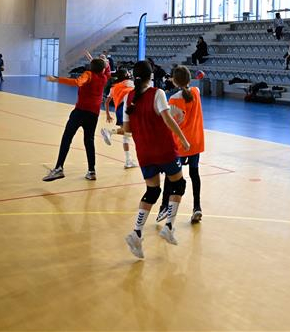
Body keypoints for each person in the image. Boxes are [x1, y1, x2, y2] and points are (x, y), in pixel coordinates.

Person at [120, 60, 190, 259]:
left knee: (153, 191)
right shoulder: (157, 93)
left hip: (144, 153)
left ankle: (137, 233)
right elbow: (168, 120)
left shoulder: (129, 98)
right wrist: (184, 140)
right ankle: (168, 226)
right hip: (164, 150)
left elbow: (127, 130)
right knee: (179, 185)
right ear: (151, 76)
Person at [42, 51, 110, 182]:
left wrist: (56, 79)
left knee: (67, 137)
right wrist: (100, 63)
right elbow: (106, 69)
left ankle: (59, 168)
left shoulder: (88, 74)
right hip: (93, 114)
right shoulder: (104, 78)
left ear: (91, 67)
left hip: (80, 112)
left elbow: (78, 82)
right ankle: (91, 171)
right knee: (89, 141)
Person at [156, 66, 206, 225]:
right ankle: (197, 207)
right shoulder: (196, 92)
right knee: (194, 174)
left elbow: (173, 122)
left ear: (174, 80)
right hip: (196, 142)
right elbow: (192, 88)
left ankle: (164, 206)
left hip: (180, 143)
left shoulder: (174, 99)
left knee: (172, 175)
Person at [100, 68, 138, 169]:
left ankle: (128, 161)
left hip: (118, 110)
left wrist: (108, 114)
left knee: (126, 135)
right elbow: (137, 92)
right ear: (125, 74)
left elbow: (107, 102)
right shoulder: (128, 82)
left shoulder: (113, 88)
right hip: (127, 107)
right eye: (128, 72)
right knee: (130, 132)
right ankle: (110, 131)